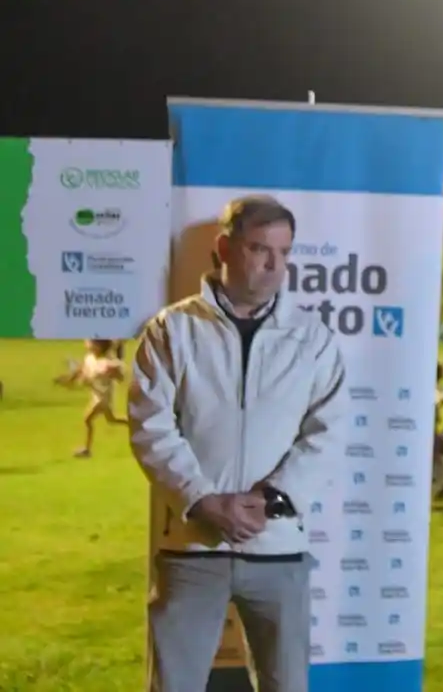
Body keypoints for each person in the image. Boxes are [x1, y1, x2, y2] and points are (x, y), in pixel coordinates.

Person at [128, 195, 347, 692]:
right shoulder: (172, 330)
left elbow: (328, 429)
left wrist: (269, 501)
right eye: (259, 249)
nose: (275, 266)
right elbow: (149, 424)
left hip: (278, 548)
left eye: (285, 252)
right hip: (191, 550)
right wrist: (204, 501)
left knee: (286, 685)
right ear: (224, 247)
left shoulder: (311, 336)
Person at [54, 338, 128, 457]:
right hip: (96, 395)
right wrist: (67, 380)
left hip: (103, 398)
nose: (86, 343)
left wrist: (111, 374)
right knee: (112, 420)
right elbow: (80, 372)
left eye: (90, 342)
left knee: (87, 419)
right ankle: (137, 424)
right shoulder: (89, 358)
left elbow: (120, 376)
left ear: (98, 346)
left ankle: (86, 449)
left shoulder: (106, 363)